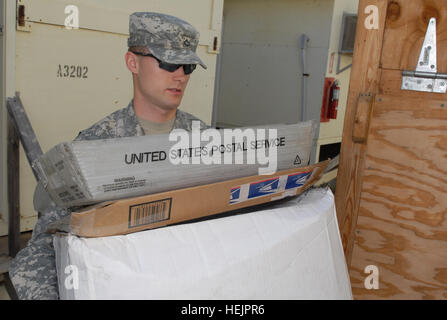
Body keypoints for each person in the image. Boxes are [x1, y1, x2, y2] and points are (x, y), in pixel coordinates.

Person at [9, 12, 209, 300]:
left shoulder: (206, 141)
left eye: (188, 65)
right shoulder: (91, 149)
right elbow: (43, 247)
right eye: (168, 62)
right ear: (132, 62)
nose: (180, 75)